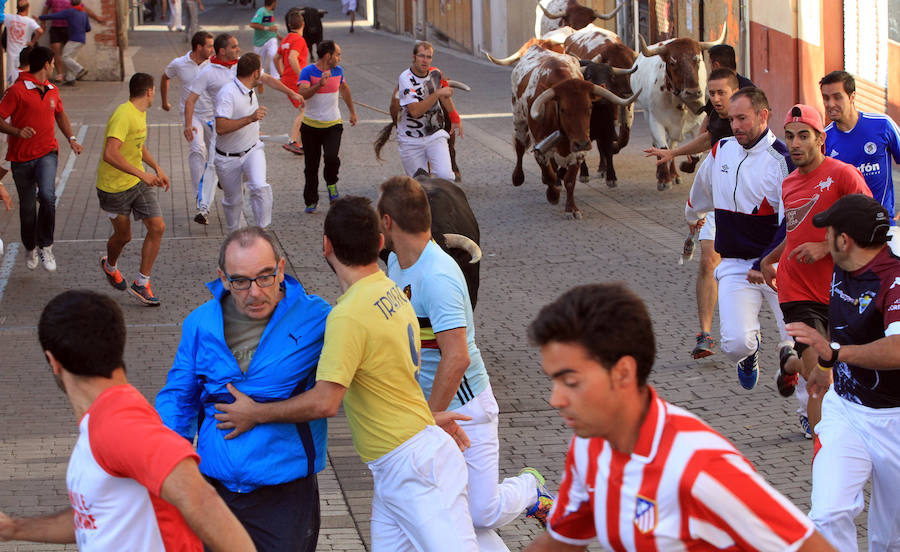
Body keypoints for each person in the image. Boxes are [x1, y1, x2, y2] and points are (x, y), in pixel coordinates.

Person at [211, 196, 479, 551]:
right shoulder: (390, 291)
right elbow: (392, 376)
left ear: (326, 246)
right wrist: (424, 422)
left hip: (412, 468)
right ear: (381, 242)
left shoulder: (349, 314)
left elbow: (325, 402)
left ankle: (526, 491)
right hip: (401, 461)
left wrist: (255, 413)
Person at [524, 283, 835, 552]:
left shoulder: (699, 467)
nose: (555, 399)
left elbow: (808, 544)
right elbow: (562, 540)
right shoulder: (591, 445)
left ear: (623, 373)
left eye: (571, 382)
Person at [0, 290, 256, 551]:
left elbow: (201, 501)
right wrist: (13, 528)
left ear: (53, 362)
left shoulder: (120, 424)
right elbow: (97, 515)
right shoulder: (106, 419)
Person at [378, 176, 553, 550]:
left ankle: (530, 490)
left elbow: (456, 358)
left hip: (466, 409)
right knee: (457, 516)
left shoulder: (439, 276)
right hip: (431, 412)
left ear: (388, 222)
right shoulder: (394, 262)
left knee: (481, 513)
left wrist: (424, 424)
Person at [156, 227, 330, 552]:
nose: (254, 292)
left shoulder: (317, 320)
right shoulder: (200, 323)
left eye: (265, 277)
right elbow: (178, 400)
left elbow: (345, 386)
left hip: (285, 494)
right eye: (240, 281)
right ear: (223, 278)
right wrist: (168, 472)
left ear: (280, 268)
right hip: (215, 492)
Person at [786, 194, 900, 551]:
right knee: (828, 514)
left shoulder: (894, 279)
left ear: (845, 240)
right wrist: (824, 365)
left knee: (890, 539)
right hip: (846, 412)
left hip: (895, 421)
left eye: (829, 232)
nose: (825, 238)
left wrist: (834, 354)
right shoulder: (844, 261)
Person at [759, 105, 871, 437]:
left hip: (839, 290)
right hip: (797, 291)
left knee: (826, 368)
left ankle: (788, 362)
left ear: (820, 139)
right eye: (790, 136)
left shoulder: (843, 175)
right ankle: (822, 446)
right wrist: (769, 259)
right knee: (822, 379)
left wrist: (826, 247)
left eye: (803, 136)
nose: (795, 144)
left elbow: (869, 220)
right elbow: (796, 234)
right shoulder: (789, 183)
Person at [685, 87, 794, 389]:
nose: (735, 126)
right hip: (734, 264)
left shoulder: (782, 159)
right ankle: (750, 351)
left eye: (742, 119)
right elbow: (701, 191)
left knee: (798, 344)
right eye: (732, 119)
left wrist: (766, 262)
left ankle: (806, 416)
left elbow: (790, 221)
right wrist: (692, 217)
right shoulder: (722, 150)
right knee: (734, 345)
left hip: (778, 266)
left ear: (763, 116)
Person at [645, 68, 741, 359]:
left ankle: (750, 338)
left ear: (735, 92)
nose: (715, 99)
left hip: (750, 208)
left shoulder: (749, 119)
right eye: (711, 93)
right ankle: (706, 334)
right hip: (719, 204)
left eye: (720, 93)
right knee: (708, 262)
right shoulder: (716, 118)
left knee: (749, 274)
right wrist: (672, 154)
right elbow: (707, 139)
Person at [184, 33, 301, 224]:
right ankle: (203, 208)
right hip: (223, 131)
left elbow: (268, 79)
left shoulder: (242, 65)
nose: (238, 49)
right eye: (234, 47)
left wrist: (291, 92)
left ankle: (259, 223)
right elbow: (191, 100)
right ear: (222, 51)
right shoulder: (207, 72)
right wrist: (189, 124)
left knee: (254, 180)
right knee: (213, 166)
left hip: (249, 136)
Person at [0, 46, 81, 272]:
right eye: (53, 63)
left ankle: (46, 245)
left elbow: (60, 114)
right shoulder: (16, 91)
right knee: (27, 210)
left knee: (47, 195)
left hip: (47, 153)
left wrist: (72, 138)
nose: (54, 66)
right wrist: (17, 132)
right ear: (46, 64)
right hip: (20, 158)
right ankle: (30, 246)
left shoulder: (53, 90)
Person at [97, 73, 169, 306]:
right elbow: (110, 154)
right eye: (154, 91)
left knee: (157, 227)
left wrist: (156, 168)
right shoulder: (123, 115)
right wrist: (143, 174)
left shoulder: (140, 113)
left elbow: (137, 146)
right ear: (149, 91)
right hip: (113, 188)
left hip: (137, 182)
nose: (155, 94)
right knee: (123, 236)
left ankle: (142, 283)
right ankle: (110, 265)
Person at [820, 70, 900, 255]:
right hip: (847, 237)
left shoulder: (882, 125)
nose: (830, 104)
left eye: (837, 97)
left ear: (852, 96)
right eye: (825, 98)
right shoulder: (824, 140)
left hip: (885, 230)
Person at [213, 53, 273, 233]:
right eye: (261, 70)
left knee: (260, 187)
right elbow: (221, 127)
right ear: (255, 73)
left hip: (253, 150)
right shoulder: (227, 94)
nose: (262, 74)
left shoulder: (249, 88)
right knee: (233, 202)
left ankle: (262, 232)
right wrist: (250, 119)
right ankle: (233, 240)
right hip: (227, 158)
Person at [297, 40, 357, 213]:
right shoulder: (308, 71)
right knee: (311, 165)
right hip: (310, 127)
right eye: (337, 54)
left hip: (333, 124)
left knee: (331, 158)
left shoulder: (338, 71)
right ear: (327, 56)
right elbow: (303, 94)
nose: (339, 58)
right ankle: (311, 199)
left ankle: (331, 184)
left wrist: (352, 112)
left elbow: (344, 89)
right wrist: (319, 85)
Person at [161, 31, 213, 216]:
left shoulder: (213, 63)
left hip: (213, 116)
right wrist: (164, 101)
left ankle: (219, 181)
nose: (212, 49)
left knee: (217, 156)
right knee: (197, 149)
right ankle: (200, 198)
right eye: (209, 46)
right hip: (192, 116)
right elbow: (165, 77)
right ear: (199, 47)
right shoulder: (179, 63)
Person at [395, 41, 462, 181]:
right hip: (410, 138)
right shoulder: (405, 78)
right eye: (421, 56)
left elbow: (445, 97)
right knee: (419, 183)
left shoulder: (436, 73)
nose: (425, 60)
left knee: (445, 176)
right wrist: (436, 94)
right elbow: (415, 111)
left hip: (434, 134)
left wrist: (455, 117)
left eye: (428, 57)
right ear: (414, 57)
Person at [40, 0, 104, 83]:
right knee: (64, 54)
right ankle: (66, 76)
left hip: (69, 31)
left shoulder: (71, 6)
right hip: (62, 30)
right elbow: (47, 8)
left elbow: (56, 15)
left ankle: (76, 72)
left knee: (67, 56)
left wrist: (41, 18)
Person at [38, 0, 95, 86]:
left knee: (65, 57)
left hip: (73, 39)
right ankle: (70, 78)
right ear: (80, 3)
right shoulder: (83, 13)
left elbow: (55, 16)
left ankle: (80, 69)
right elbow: (88, 28)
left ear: (71, 4)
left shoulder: (70, 12)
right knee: (72, 58)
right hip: (82, 39)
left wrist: (41, 17)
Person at [275, 7, 308, 155]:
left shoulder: (286, 39)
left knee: (306, 109)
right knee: (305, 109)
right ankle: (293, 141)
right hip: (296, 80)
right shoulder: (299, 40)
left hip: (287, 79)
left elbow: (277, 58)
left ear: (289, 25)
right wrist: (303, 76)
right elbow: (292, 57)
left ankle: (301, 143)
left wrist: (282, 74)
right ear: (303, 24)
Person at [3, 0, 42, 87]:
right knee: (25, 76)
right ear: (27, 8)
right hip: (24, 53)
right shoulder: (29, 21)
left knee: (11, 78)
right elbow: (40, 31)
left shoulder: (9, 18)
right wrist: (32, 42)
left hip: (11, 53)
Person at [250, 0, 280, 78]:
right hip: (260, 42)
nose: (276, 4)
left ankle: (275, 77)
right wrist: (268, 28)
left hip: (271, 39)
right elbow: (252, 24)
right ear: (273, 2)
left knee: (274, 55)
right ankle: (259, 79)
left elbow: (271, 27)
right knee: (259, 62)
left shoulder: (271, 12)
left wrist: (278, 36)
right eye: (276, 2)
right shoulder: (261, 11)